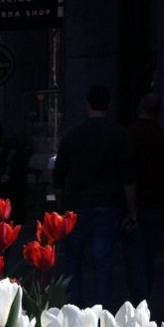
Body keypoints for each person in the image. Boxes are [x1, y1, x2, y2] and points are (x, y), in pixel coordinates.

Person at [53, 85, 136, 309]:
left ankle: (74, 310)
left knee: (72, 260)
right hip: (107, 205)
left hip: (75, 205)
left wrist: (60, 210)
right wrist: (132, 211)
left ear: (87, 104)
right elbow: (128, 177)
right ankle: (100, 314)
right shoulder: (120, 134)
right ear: (108, 105)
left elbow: (59, 177)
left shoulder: (71, 135)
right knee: (103, 264)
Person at [121, 93, 164, 306]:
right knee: (149, 257)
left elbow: (123, 174)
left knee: (134, 258)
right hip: (157, 206)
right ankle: (144, 299)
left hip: (133, 205)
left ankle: (141, 301)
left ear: (140, 109)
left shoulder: (128, 136)